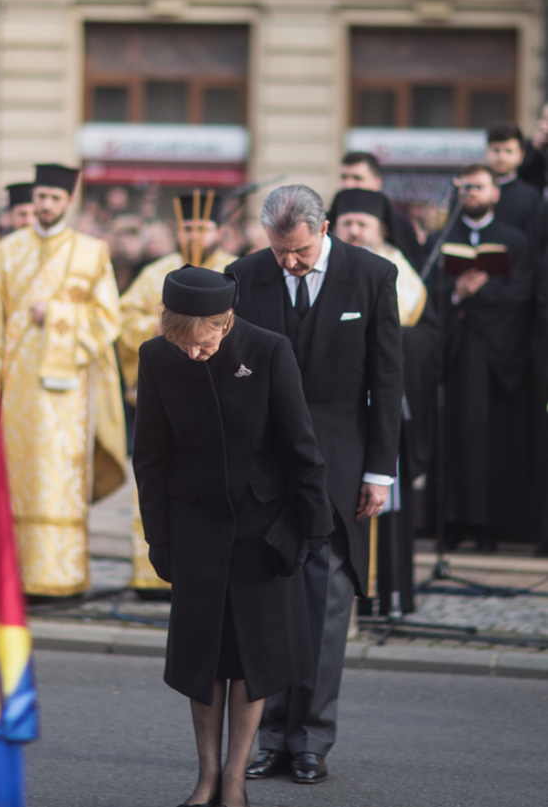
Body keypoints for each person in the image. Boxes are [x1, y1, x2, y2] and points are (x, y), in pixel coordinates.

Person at [133, 266, 332, 807]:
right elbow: (149, 458)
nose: (194, 355)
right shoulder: (157, 357)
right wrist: (160, 539)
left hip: (261, 529)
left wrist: (312, 529)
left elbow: (300, 448)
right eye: (184, 347)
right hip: (194, 524)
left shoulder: (268, 351)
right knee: (204, 658)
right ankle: (206, 779)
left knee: (251, 658)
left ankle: (236, 780)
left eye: (203, 345)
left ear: (225, 323)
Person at [229, 184, 403, 785]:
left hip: (339, 464)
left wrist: (380, 471)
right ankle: (269, 735)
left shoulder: (373, 276)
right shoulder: (243, 274)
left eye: (298, 251)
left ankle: (311, 741)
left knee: (326, 609)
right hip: (263, 469)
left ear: (323, 229)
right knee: (266, 605)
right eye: (279, 251)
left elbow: (387, 379)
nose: (288, 263)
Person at [0, 163, 126, 596]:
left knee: (59, 481)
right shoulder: (6, 252)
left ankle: (59, 575)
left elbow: (108, 320)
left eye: (53, 198)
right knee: (14, 476)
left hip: (67, 395)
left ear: (68, 201)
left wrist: (60, 315)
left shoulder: (91, 252)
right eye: (40, 197)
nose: (45, 205)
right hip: (18, 390)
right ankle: (13, 576)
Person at [118, 193, 239, 596]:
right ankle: (153, 569)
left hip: (220, 395)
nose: (194, 234)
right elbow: (122, 317)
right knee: (155, 471)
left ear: (219, 231)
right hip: (164, 390)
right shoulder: (157, 272)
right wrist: (157, 329)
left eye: (202, 227)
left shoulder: (235, 270)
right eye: (187, 227)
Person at [333, 189, 439, 613]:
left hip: (379, 403)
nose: (355, 230)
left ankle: (384, 596)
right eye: (348, 223)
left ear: (381, 229)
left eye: (364, 223)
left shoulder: (398, 270)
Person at [431, 164, 534, 552]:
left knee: (492, 442)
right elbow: (428, 291)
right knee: (453, 436)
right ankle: (452, 523)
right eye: (466, 187)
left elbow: (522, 292)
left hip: (495, 357)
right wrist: (456, 292)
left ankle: (490, 526)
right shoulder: (444, 238)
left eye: (479, 186)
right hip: (456, 354)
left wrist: (479, 294)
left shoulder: (514, 241)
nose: (471, 192)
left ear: (495, 193)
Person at [334, 151, 422, 269]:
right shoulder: (328, 217)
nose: (348, 185)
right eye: (344, 178)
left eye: (357, 178)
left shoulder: (399, 224)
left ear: (377, 183)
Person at [485, 122, 546, 254]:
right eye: (496, 151)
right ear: (487, 152)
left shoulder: (532, 197)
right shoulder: (470, 191)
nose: (501, 157)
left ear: (521, 155)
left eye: (508, 151)